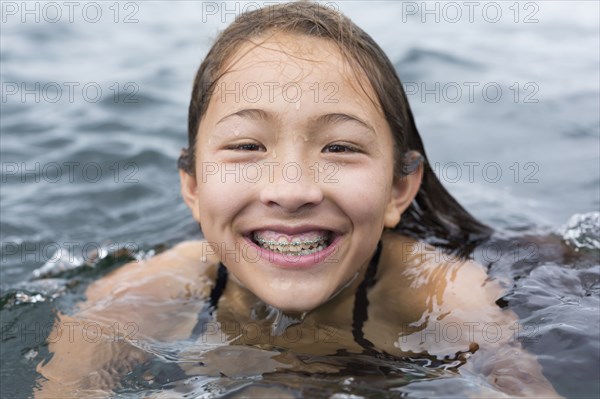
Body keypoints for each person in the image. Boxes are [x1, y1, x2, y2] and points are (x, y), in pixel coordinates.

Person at [36, 2, 560, 397]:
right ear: (193, 187)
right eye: (246, 146)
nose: (291, 191)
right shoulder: (131, 301)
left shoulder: (448, 295)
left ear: (399, 189)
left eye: (339, 147)